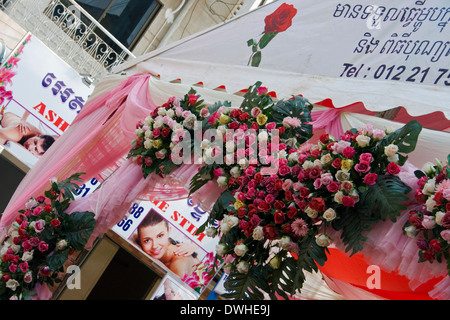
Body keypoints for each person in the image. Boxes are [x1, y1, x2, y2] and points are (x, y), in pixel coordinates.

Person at [136, 209, 200, 278]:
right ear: (140, 240)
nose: (154, 246)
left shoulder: (180, 259)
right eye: (147, 240)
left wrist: (157, 263)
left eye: (160, 236)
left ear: (169, 231)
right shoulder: (139, 240)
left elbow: (175, 286)